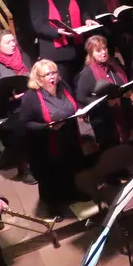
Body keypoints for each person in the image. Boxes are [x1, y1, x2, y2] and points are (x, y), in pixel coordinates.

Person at [19, 59, 90, 212]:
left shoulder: (63, 87)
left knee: (69, 168)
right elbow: (25, 124)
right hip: (46, 143)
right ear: (38, 78)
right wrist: (47, 127)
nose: (52, 77)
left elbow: (72, 105)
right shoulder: (31, 97)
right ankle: (51, 206)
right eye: (47, 74)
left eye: (54, 73)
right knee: (50, 178)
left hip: (68, 136)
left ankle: (72, 193)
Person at [0, 31, 35, 184]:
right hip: (9, 110)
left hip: (31, 103)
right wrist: (8, 97)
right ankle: (25, 170)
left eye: (13, 41)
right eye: (8, 42)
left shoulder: (23, 56)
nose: (13, 45)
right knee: (18, 140)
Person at [30, 0, 99, 85]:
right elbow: (38, 25)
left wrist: (87, 19)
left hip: (77, 47)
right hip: (56, 51)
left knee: (82, 82)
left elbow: (81, 10)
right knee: (65, 85)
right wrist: (56, 32)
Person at [75, 35, 133, 150]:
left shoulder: (114, 65)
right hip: (103, 119)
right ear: (91, 53)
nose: (103, 52)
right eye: (98, 50)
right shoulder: (87, 73)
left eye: (105, 48)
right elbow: (81, 98)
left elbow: (124, 84)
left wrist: (127, 92)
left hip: (122, 112)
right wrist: (105, 103)